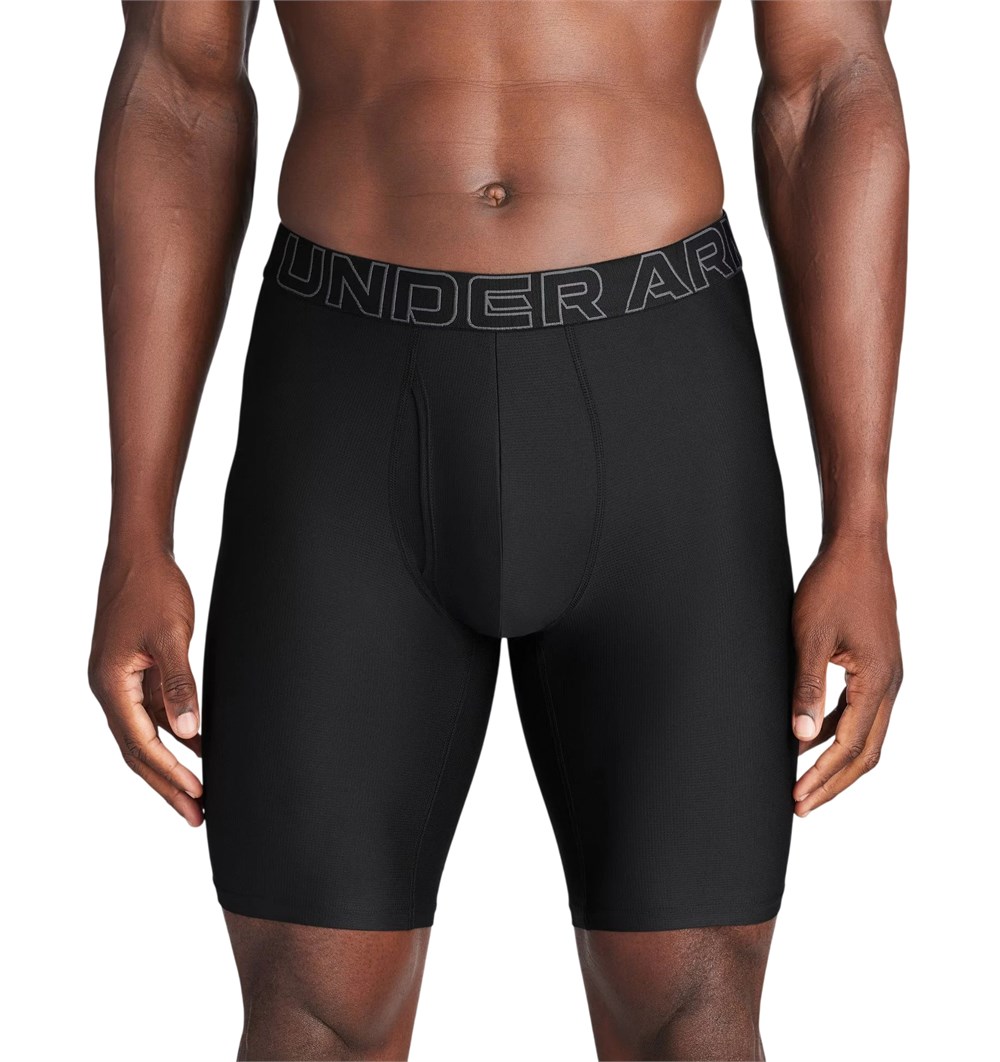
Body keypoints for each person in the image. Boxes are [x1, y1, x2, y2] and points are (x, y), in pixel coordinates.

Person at [88, 2, 906, 1059]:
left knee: (694, 1011)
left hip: (660, 393)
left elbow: (830, 80)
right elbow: (178, 84)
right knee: (310, 1011)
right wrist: (136, 533)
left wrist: (861, 524)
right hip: (344, 401)